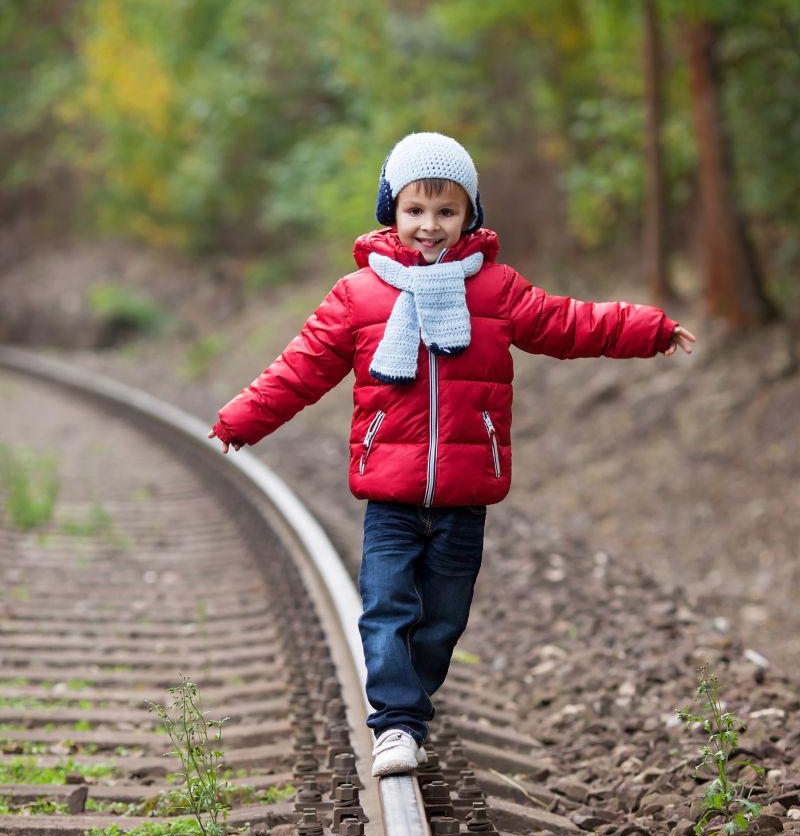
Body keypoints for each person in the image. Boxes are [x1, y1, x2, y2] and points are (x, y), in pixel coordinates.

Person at [208, 132, 695, 777]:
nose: (428, 226)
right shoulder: (358, 296)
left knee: (441, 619)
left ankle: (413, 696)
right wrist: (239, 420)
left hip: (466, 491)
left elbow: (570, 324)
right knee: (385, 606)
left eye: (445, 211)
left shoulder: (495, 291)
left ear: (470, 216)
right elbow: (299, 369)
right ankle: (396, 723)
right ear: (392, 210)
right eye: (414, 210)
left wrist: (650, 329)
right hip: (389, 491)